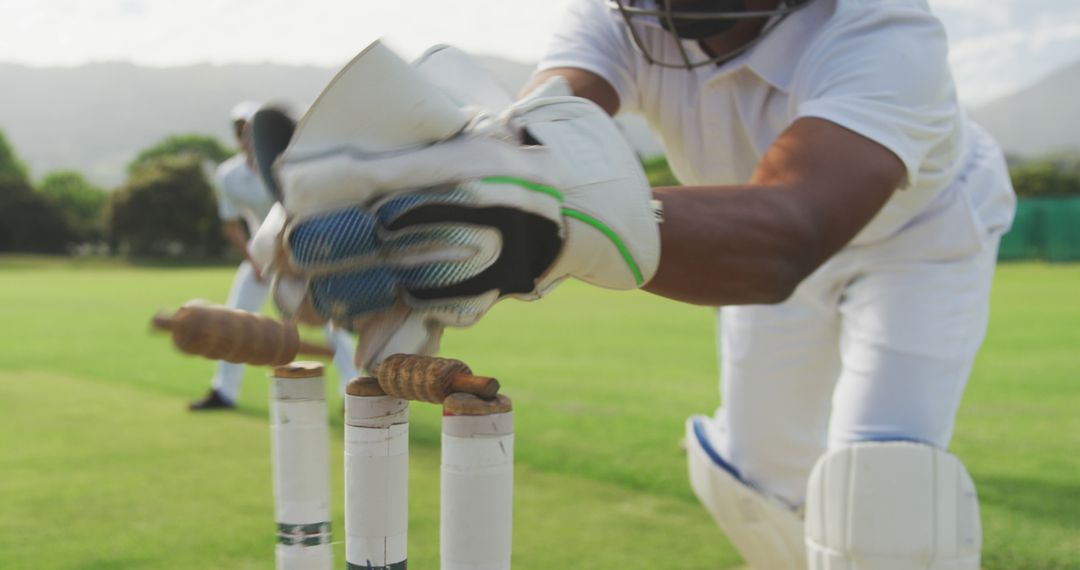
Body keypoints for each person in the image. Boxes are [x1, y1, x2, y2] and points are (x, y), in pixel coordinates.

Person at [249, 1, 1016, 565]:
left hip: (915, 243)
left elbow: (793, 231)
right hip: (747, 241)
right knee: (753, 482)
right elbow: (548, 136)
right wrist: (450, 183)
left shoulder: (882, 29)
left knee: (884, 487)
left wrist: (540, 226)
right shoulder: (619, 19)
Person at [188, 102, 358, 410]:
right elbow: (231, 224)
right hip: (260, 259)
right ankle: (224, 392)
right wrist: (253, 259)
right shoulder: (228, 175)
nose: (245, 137)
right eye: (240, 132)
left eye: (251, 131)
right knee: (235, 317)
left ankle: (353, 387)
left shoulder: (290, 166)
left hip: (302, 257)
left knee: (326, 320)